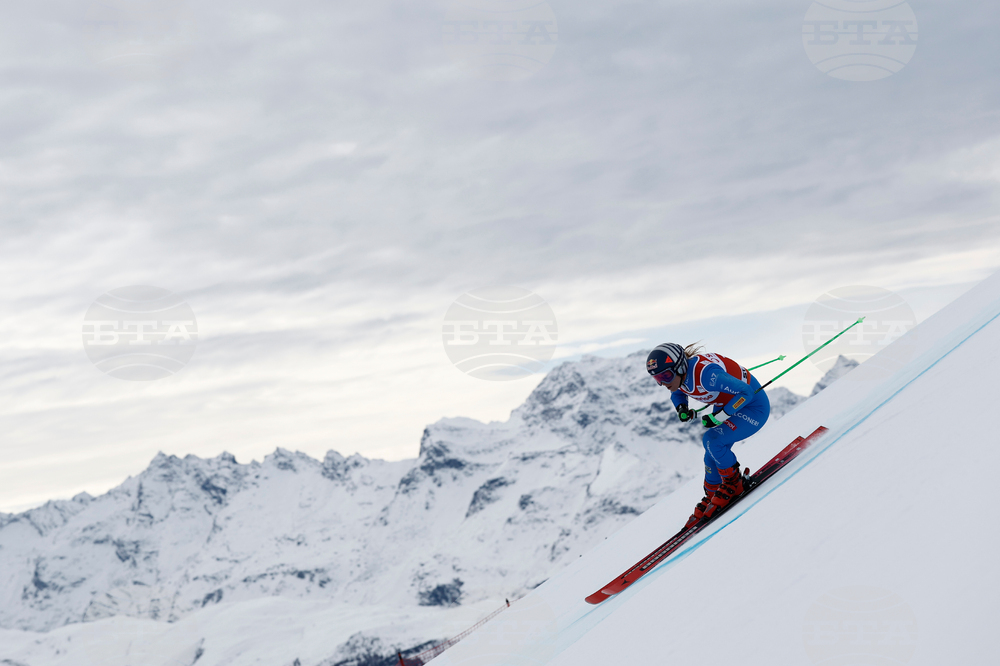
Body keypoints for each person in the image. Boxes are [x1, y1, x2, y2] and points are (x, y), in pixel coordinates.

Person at [645, 342, 771, 527]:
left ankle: (733, 484)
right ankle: (713, 493)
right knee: (711, 448)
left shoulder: (707, 375)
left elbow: (747, 392)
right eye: (657, 379)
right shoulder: (680, 376)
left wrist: (719, 416)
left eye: (665, 376)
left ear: (679, 367)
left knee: (712, 440)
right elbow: (678, 392)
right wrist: (682, 408)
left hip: (753, 408)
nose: (663, 383)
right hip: (731, 405)